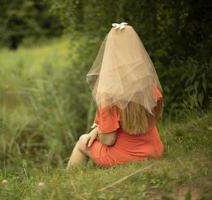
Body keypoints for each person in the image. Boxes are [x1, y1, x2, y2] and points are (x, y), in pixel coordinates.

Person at [67, 23, 164, 169]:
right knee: (91, 137)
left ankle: (68, 181)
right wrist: (97, 130)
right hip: (155, 150)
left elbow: (108, 140)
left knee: (82, 141)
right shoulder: (147, 84)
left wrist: (99, 132)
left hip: (129, 156)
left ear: (110, 51)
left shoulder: (109, 92)